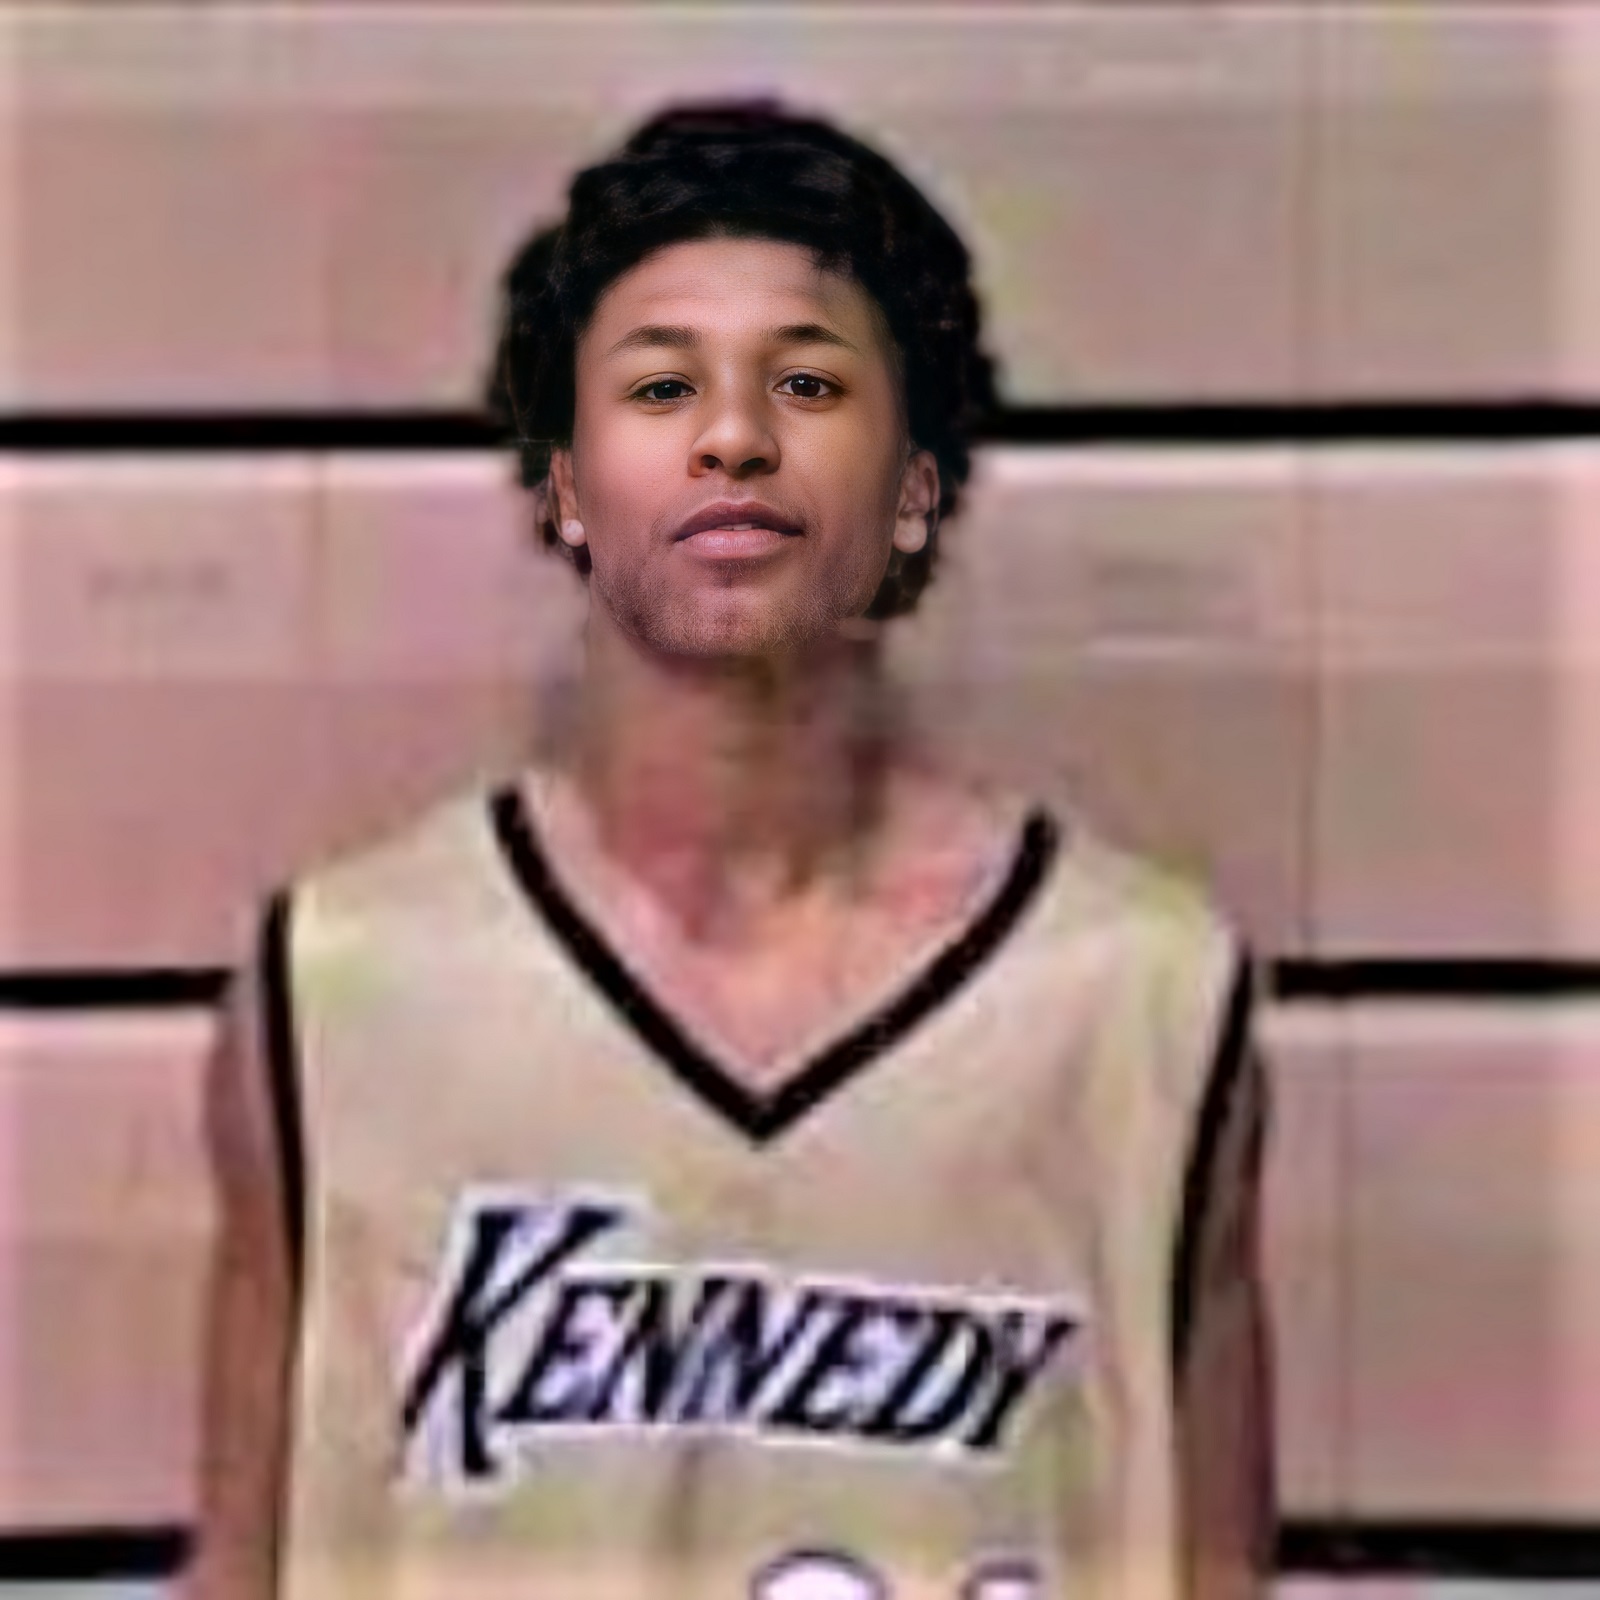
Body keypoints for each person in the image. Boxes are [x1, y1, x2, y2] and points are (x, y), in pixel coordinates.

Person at [185, 98, 1275, 1600]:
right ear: (562, 483)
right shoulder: (339, 989)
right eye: (661, 386)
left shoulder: (1144, 999)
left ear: (919, 483)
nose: (735, 439)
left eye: (808, 383)